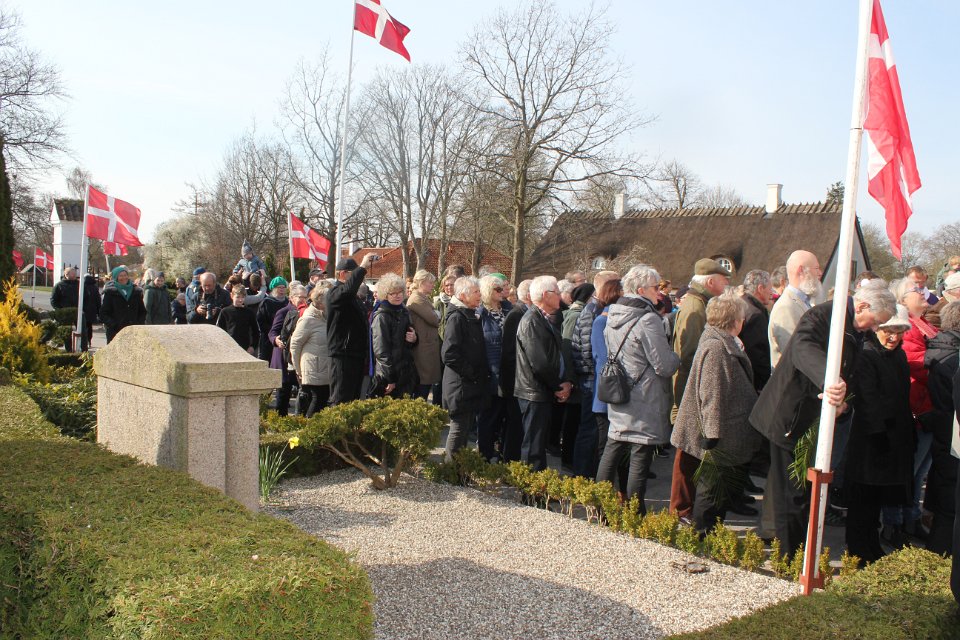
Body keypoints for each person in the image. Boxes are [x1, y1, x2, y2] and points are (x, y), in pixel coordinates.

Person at [751, 280, 896, 555]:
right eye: (876, 321)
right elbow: (803, 347)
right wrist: (829, 382)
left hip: (811, 415)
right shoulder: (824, 315)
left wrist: (844, 402)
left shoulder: (854, 327)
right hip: (791, 415)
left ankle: (776, 537)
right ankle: (789, 555)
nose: (876, 328)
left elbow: (850, 369)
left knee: (786, 485)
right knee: (793, 491)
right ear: (862, 306)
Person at [672, 294, 759, 530]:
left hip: (727, 430)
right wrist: (712, 433)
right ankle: (702, 536)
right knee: (711, 492)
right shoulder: (716, 347)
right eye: (741, 317)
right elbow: (711, 393)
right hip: (720, 435)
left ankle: (707, 532)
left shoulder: (722, 341)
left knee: (716, 492)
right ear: (735, 320)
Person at [597, 265, 680, 514]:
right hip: (644, 396)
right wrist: (678, 356)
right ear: (641, 290)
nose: (660, 292)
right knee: (640, 456)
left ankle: (599, 505)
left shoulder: (613, 313)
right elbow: (664, 365)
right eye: (656, 287)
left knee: (613, 447)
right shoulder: (647, 319)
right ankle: (634, 513)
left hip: (619, 390)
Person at [844, 308, 914, 564]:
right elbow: (867, 400)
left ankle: (871, 544)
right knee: (863, 499)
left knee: (876, 500)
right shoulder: (867, 354)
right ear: (878, 330)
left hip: (892, 438)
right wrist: (879, 434)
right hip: (871, 440)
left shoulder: (898, 355)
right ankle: (858, 549)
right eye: (889, 331)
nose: (894, 338)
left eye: (899, 332)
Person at [670, 258, 731, 521]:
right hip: (690, 388)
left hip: (691, 387)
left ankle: (684, 506)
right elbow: (691, 355)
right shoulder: (696, 307)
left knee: (691, 449)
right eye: (723, 280)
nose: (726, 284)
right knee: (687, 449)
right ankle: (681, 508)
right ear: (710, 281)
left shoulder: (699, 303)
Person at [881, 277, 938, 543]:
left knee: (917, 473)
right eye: (916, 290)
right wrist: (944, 366)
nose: (922, 293)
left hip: (928, 406)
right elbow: (915, 361)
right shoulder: (908, 328)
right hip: (915, 407)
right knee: (906, 471)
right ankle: (894, 523)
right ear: (903, 299)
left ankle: (910, 518)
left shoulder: (922, 324)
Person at [514, 276, 574, 471]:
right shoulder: (532, 321)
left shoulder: (544, 319)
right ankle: (530, 485)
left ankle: (537, 481)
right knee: (533, 443)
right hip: (534, 391)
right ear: (546, 295)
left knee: (538, 442)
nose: (560, 297)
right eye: (557, 293)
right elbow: (539, 362)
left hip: (542, 390)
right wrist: (558, 386)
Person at [571, 271, 620, 478]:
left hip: (594, 377)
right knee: (589, 429)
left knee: (594, 430)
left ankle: (590, 471)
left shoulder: (598, 309)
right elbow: (586, 348)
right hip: (591, 378)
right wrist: (593, 375)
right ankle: (581, 474)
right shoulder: (592, 311)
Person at [921, 301, 960, 555]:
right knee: (949, 505)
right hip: (951, 435)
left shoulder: (941, 349)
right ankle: (939, 554)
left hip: (944, 432)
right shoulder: (952, 358)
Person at [441, 276, 489, 461]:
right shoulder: (457, 318)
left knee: (465, 429)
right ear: (462, 295)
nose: (479, 295)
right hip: (460, 385)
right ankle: (450, 470)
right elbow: (449, 354)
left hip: (469, 384)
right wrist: (472, 373)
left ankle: (458, 469)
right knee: (458, 429)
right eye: (475, 292)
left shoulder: (469, 315)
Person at [590, 278, 629, 495]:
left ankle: (622, 493)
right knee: (607, 447)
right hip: (608, 393)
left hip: (619, 392)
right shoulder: (601, 322)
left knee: (622, 449)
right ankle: (605, 496)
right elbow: (603, 361)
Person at [327, 254, 378, 405]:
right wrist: (362, 267)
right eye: (354, 273)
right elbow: (347, 291)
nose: (360, 278)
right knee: (340, 399)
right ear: (343, 274)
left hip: (355, 354)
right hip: (342, 355)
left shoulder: (353, 297)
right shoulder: (335, 293)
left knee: (353, 400)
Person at [476, 274, 513, 461]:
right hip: (490, 372)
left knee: (505, 417)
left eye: (502, 288)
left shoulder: (508, 309)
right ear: (487, 291)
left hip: (509, 371)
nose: (502, 292)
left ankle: (502, 456)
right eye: (497, 289)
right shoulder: (480, 313)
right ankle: (484, 457)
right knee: (488, 418)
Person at [558, 282, 593, 467]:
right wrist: (570, 378)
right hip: (575, 376)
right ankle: (568, 458)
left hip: (577, 374)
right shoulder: (575, 315)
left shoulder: (582, 313)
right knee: (572, 419)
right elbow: (567, 347)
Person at [769, 250, 823, 367]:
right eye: (816, 268)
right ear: (801, 270)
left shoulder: (804, 302)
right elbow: (795, 352)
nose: (820, 273)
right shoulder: (786, 307)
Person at [370, 273, 419, 398]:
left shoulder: (404, 311)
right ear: (385, 295)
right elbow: (381, 351)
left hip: (405, 371)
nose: (398, 296)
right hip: (388, 375)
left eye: (400, 292)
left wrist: (414, 338)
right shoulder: (382, 316)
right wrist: (390, 378)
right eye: (393, 293)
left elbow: (409, 338)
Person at [499, 279, 532, 463]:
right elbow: (509, 351)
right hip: (515, 379)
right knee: (513, 422)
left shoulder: (524, 313)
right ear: (528, 295)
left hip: (519, 379)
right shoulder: (516, 314)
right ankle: (509, 460)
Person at [290, 284, 332, 417]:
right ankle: (309, 427)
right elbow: (295, 345)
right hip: (314, 369)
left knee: (322, 402)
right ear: (320, 303)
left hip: (324, 368)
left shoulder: (325, 318)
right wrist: (298, 370)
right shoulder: (308, 319)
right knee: (317, 401)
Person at [270, 284, 309, 416]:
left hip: (299, 358)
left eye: (305, 297)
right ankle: (280, 420)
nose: (303, 300)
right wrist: (276, 340)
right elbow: (273, 332)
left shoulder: (307, 312)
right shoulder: (283, 312)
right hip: (283, 357)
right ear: (291, 297)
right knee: (283, 394)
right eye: (300, 297)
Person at [406, 270, 441, 401]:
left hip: (427, 348)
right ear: (421, 283)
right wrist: (437, 314)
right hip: (422, 350)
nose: (433, 285)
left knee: (426, 386)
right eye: (430, 282)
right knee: (422, 388)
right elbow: (434, 319)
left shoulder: (423, 298)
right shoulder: (416, 299)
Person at [739, 269, 773, 391]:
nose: (772, 292)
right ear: (760, 288)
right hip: (754, 383)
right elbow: (757, 353)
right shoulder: (755, 314)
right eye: (770, 288)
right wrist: (765, 383)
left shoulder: (742, 303)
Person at [100, 265, 146, 343]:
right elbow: (103, 313)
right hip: (115, 332)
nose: (123, 278)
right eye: (120, 276)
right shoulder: (110, 292)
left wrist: (138, 324)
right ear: (116, 277)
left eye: (125, 275)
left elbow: (142, 311)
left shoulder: (136, 292)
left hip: (133, 331)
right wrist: (114, 325)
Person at [215, 286, 259, 353]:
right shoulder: (225, 311)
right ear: (232, 296)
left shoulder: (249, 312)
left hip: (245, 348)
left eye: (243, 297)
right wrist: (222, 346)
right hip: (229, 348)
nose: (240, 300)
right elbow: (218, 331)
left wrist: (253, 346)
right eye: (238, 297)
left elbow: (256, 331)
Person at [256, 277, 289, 361]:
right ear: (273, 289)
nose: (281, 290)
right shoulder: (266, 302)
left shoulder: (288, 302)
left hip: (285, 339)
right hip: (268, 339)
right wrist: (273, 333)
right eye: (279, 287)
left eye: (283, 287)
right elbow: (261, 321)